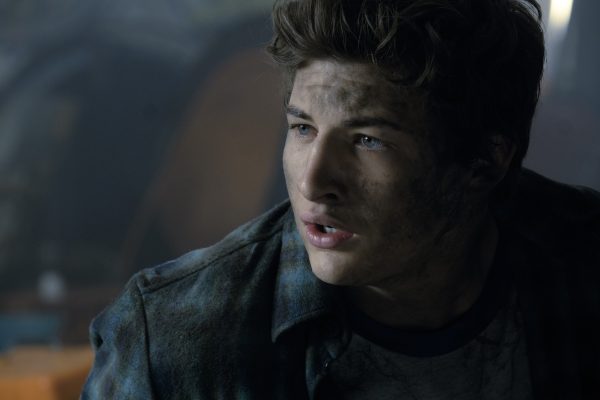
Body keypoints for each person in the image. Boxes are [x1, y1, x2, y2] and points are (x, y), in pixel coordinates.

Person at [82, 0, 600, 398]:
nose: (314, 182)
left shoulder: (581, 263)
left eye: (367, 140)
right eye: (303, 129)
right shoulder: (174, 340)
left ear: (485, 161)